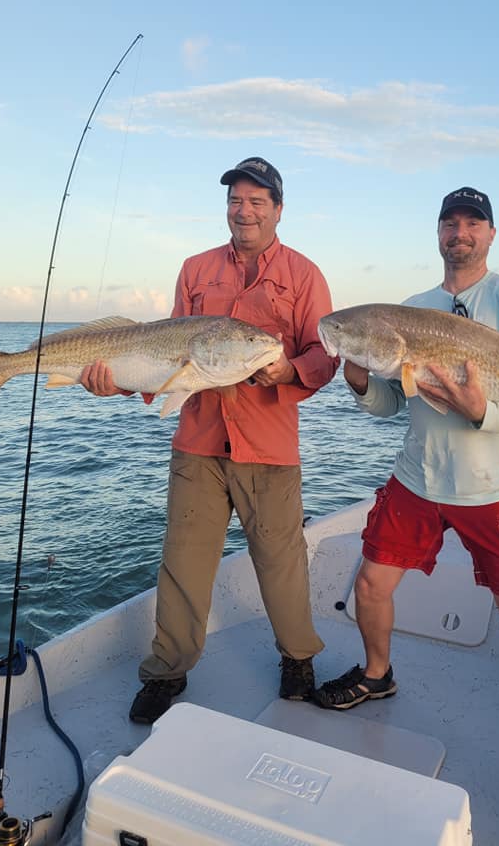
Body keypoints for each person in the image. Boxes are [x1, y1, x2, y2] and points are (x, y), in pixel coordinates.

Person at [312, 187, 499, 846]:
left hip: (495, 488)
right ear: (438, 232)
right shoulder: (411, 310)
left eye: (472, 222)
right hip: (418, 478)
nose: (460, 232)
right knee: (368, 586)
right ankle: (378, 674)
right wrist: (359, 380)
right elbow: (392, 404)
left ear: (491, 234)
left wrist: (480, 410)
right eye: (450, 221)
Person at [81, 156, 338, 724]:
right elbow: (160, 354)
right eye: (235, 201)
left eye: (256, 201)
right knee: (183, 563)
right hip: (197, 442)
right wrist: (117, 383)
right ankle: (166, 672)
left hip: (269, 447)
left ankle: (298, 659)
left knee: (282, 562)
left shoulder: (304, 274)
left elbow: (324, 355)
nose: (243, 211)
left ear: (278, 209)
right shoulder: (195, 269)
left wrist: (287, 372)